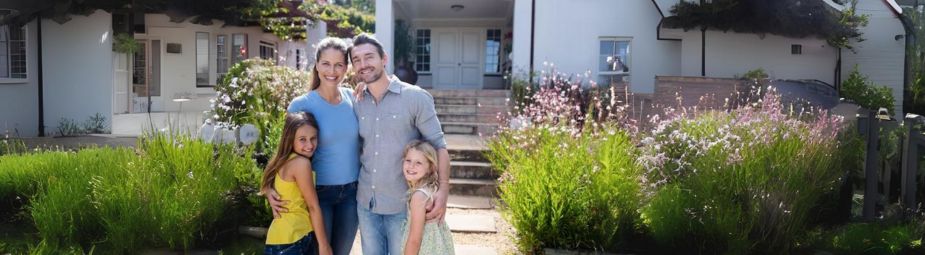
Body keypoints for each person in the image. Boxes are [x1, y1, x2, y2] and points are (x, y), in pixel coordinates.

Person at [349, 33, 451, 255]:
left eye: (369, 57)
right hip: (367, 203)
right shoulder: (356, 101)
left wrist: (443, 190)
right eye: (357, 60)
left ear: (384, 59)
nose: (363, 64)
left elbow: (439, 145)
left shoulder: (415, 98)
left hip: (402, 207)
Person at [269, 37, 361, 255]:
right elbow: (283, 152)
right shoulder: (302, 104)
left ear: (346, 68)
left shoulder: (354, 99)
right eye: (326, 64)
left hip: (352, 193)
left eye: (339, 64)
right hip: (319, 195)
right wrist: (269, 188)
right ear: (317, 65)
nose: (332, 70)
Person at [261, 112, 333, 255]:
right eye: (302, 139)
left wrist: (268, 190)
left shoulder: (283, 160)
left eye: (313, 138)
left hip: (278, 239)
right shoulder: (301, 163)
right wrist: (324, 246)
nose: (309, 145)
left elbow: (266, 182)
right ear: (290, 139)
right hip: (294, 239)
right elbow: (313, 207)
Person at [400, 140, 455, 255]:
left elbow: (415, 240)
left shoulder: (419, 197)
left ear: (430, 168)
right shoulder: (432, 188)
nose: (411, 166)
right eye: (408, 160)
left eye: (418, 163)